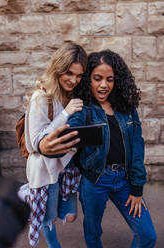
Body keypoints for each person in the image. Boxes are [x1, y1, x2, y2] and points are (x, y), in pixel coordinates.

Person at [65, 50, 157, 248]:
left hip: (124, 181)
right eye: (97, 78)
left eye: (110, 79)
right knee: (93, 233)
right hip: (94, 181)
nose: (103, 85)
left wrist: (137, 187)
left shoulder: (127, 108)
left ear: (117, 81)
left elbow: (137, 148)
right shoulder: (84, 109)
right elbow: (69, 131)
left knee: (147, 235)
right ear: (88, 79)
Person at [24, 40, 88, 248]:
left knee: (70, 216)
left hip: (66, 168)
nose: (73, 80)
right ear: (58, 68)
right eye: (69, 73)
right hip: (45, 171)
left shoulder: (71, 94)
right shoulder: (41, 97)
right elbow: (36, 142)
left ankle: (28, 194)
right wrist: (66, 112)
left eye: (79, 75)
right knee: (48, 218)